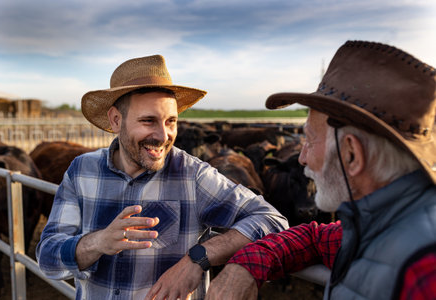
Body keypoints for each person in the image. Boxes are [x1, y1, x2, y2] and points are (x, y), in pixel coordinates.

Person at [36, 55, 288, 300]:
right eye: (148, 121)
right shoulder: (82, 170)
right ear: (116, 120)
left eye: (171, 121)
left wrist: (198, 257)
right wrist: (98, 242)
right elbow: (47, 259)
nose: (163, 135)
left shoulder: (193, 176)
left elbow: (272, 220)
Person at [206, 40, 436, 300]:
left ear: (351, 154)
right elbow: (314, 239)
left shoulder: (425, 273)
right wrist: (244, 265)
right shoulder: (376, 222)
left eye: (311, 140)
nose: (302, 158)